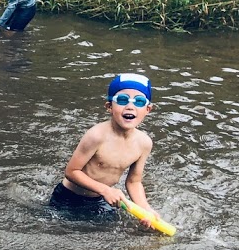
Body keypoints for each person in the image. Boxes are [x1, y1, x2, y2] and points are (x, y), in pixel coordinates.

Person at [49, 73, 161, 224]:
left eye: (139, 102)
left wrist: (145, 208)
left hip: (100, 200)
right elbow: (71, 171)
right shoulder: (97, 136)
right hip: (68, 197)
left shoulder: (144, 143)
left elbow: (134, 181)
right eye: (122, 100)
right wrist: (106, 190)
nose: (130, 106)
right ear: (109, 106)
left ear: (148, 109)